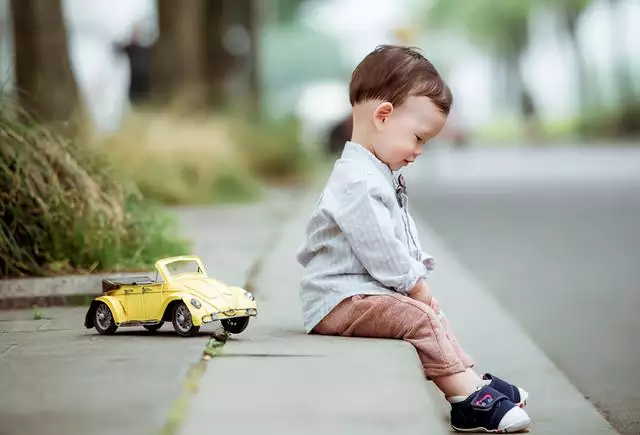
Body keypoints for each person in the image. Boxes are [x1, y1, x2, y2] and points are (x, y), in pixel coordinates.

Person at [296, 45, 532, 433]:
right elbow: (381, 250)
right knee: (420, 314)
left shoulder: (376, 171)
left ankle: (472, 379)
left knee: (428, 313)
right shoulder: (358, 181)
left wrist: (415, 273)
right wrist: (414, 283)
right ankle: (464, 400)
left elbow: (398, 231)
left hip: (358, 292)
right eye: (419, 138)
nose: (420, 151)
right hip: (337, 300)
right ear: (384, 116)